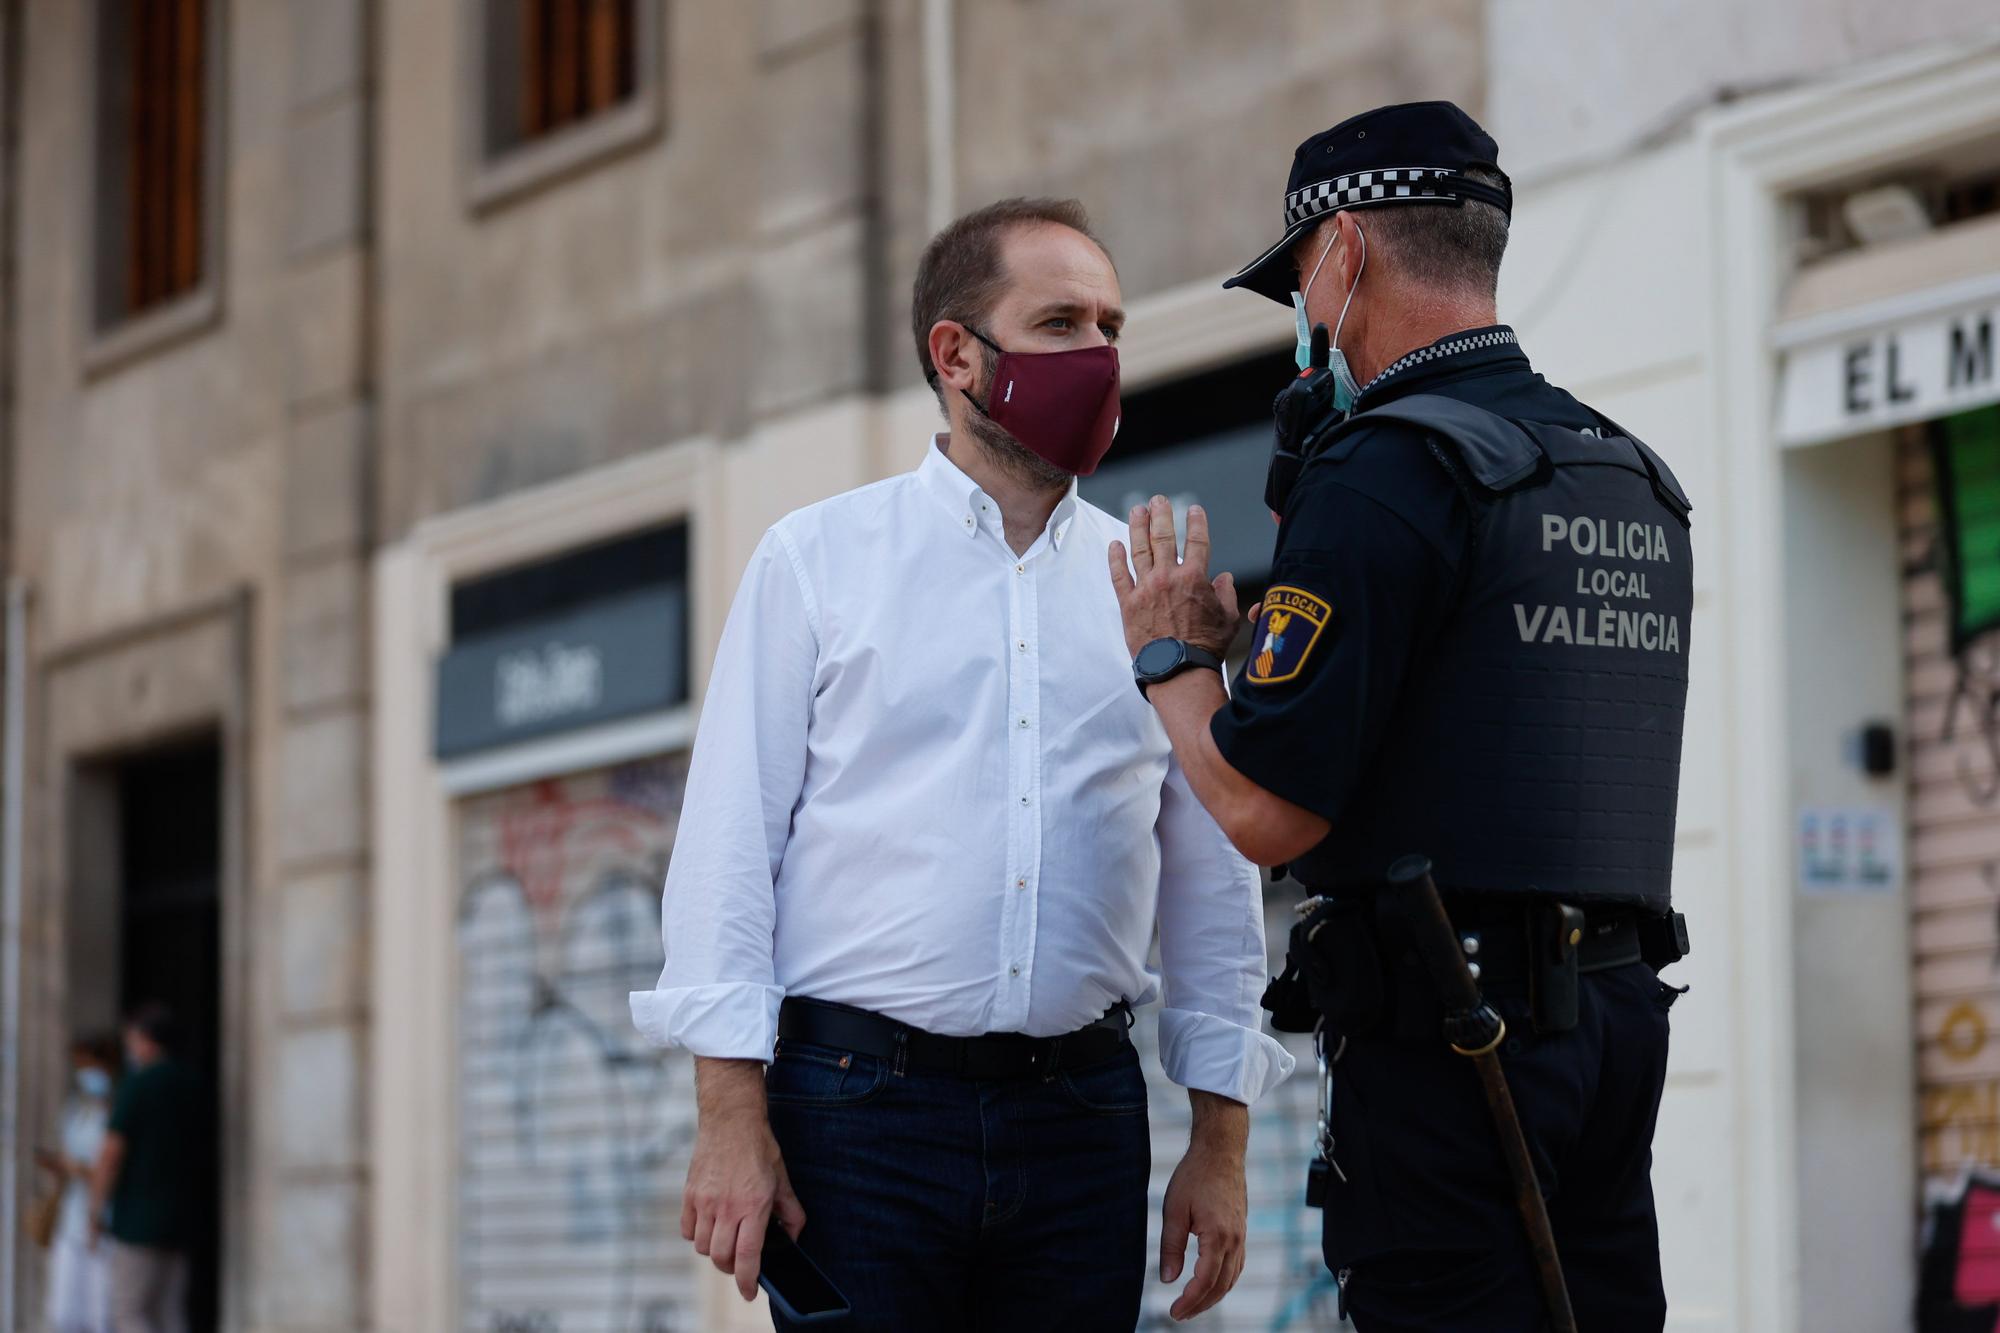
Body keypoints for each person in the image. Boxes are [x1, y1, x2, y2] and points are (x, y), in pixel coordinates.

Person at [630, 196, 1293, 1329]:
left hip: (1080, 1119)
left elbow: (1211, 876)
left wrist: (1220, 1142)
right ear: (956, 354)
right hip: (855, 1121)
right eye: (1061, 323)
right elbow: (729, 842)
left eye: (1110, 327)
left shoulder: (1146, 586)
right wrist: (728, 1117)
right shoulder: (817, 561)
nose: (1099, 355)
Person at [1107, 102, 1693, 1331]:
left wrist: (1171, 660)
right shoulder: (1622, 470)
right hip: (1612, 1032)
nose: (1306, 323)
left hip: (1452, 1050)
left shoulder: (1384, 466)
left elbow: (1263, 809)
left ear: (1343, 254)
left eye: (1300, 290)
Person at [91, 1001, 202, 1333]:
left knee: (129, 1311)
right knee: (170, 1312)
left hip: (138, 1220)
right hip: (182, 1217)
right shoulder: (192, 1083)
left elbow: (111, 1154)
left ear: (146, 1039)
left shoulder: (138, 1085)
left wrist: (94, 1211)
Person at [35, 1036, 118, 1333]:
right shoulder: (76, 1109)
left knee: (101, 1312)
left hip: (106, 1219)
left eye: (89, 1065)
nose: (84, 1073)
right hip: (72, 1216)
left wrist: (80, 1169)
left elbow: (110, 1167)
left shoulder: (116, 1110)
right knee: (65, 1311)